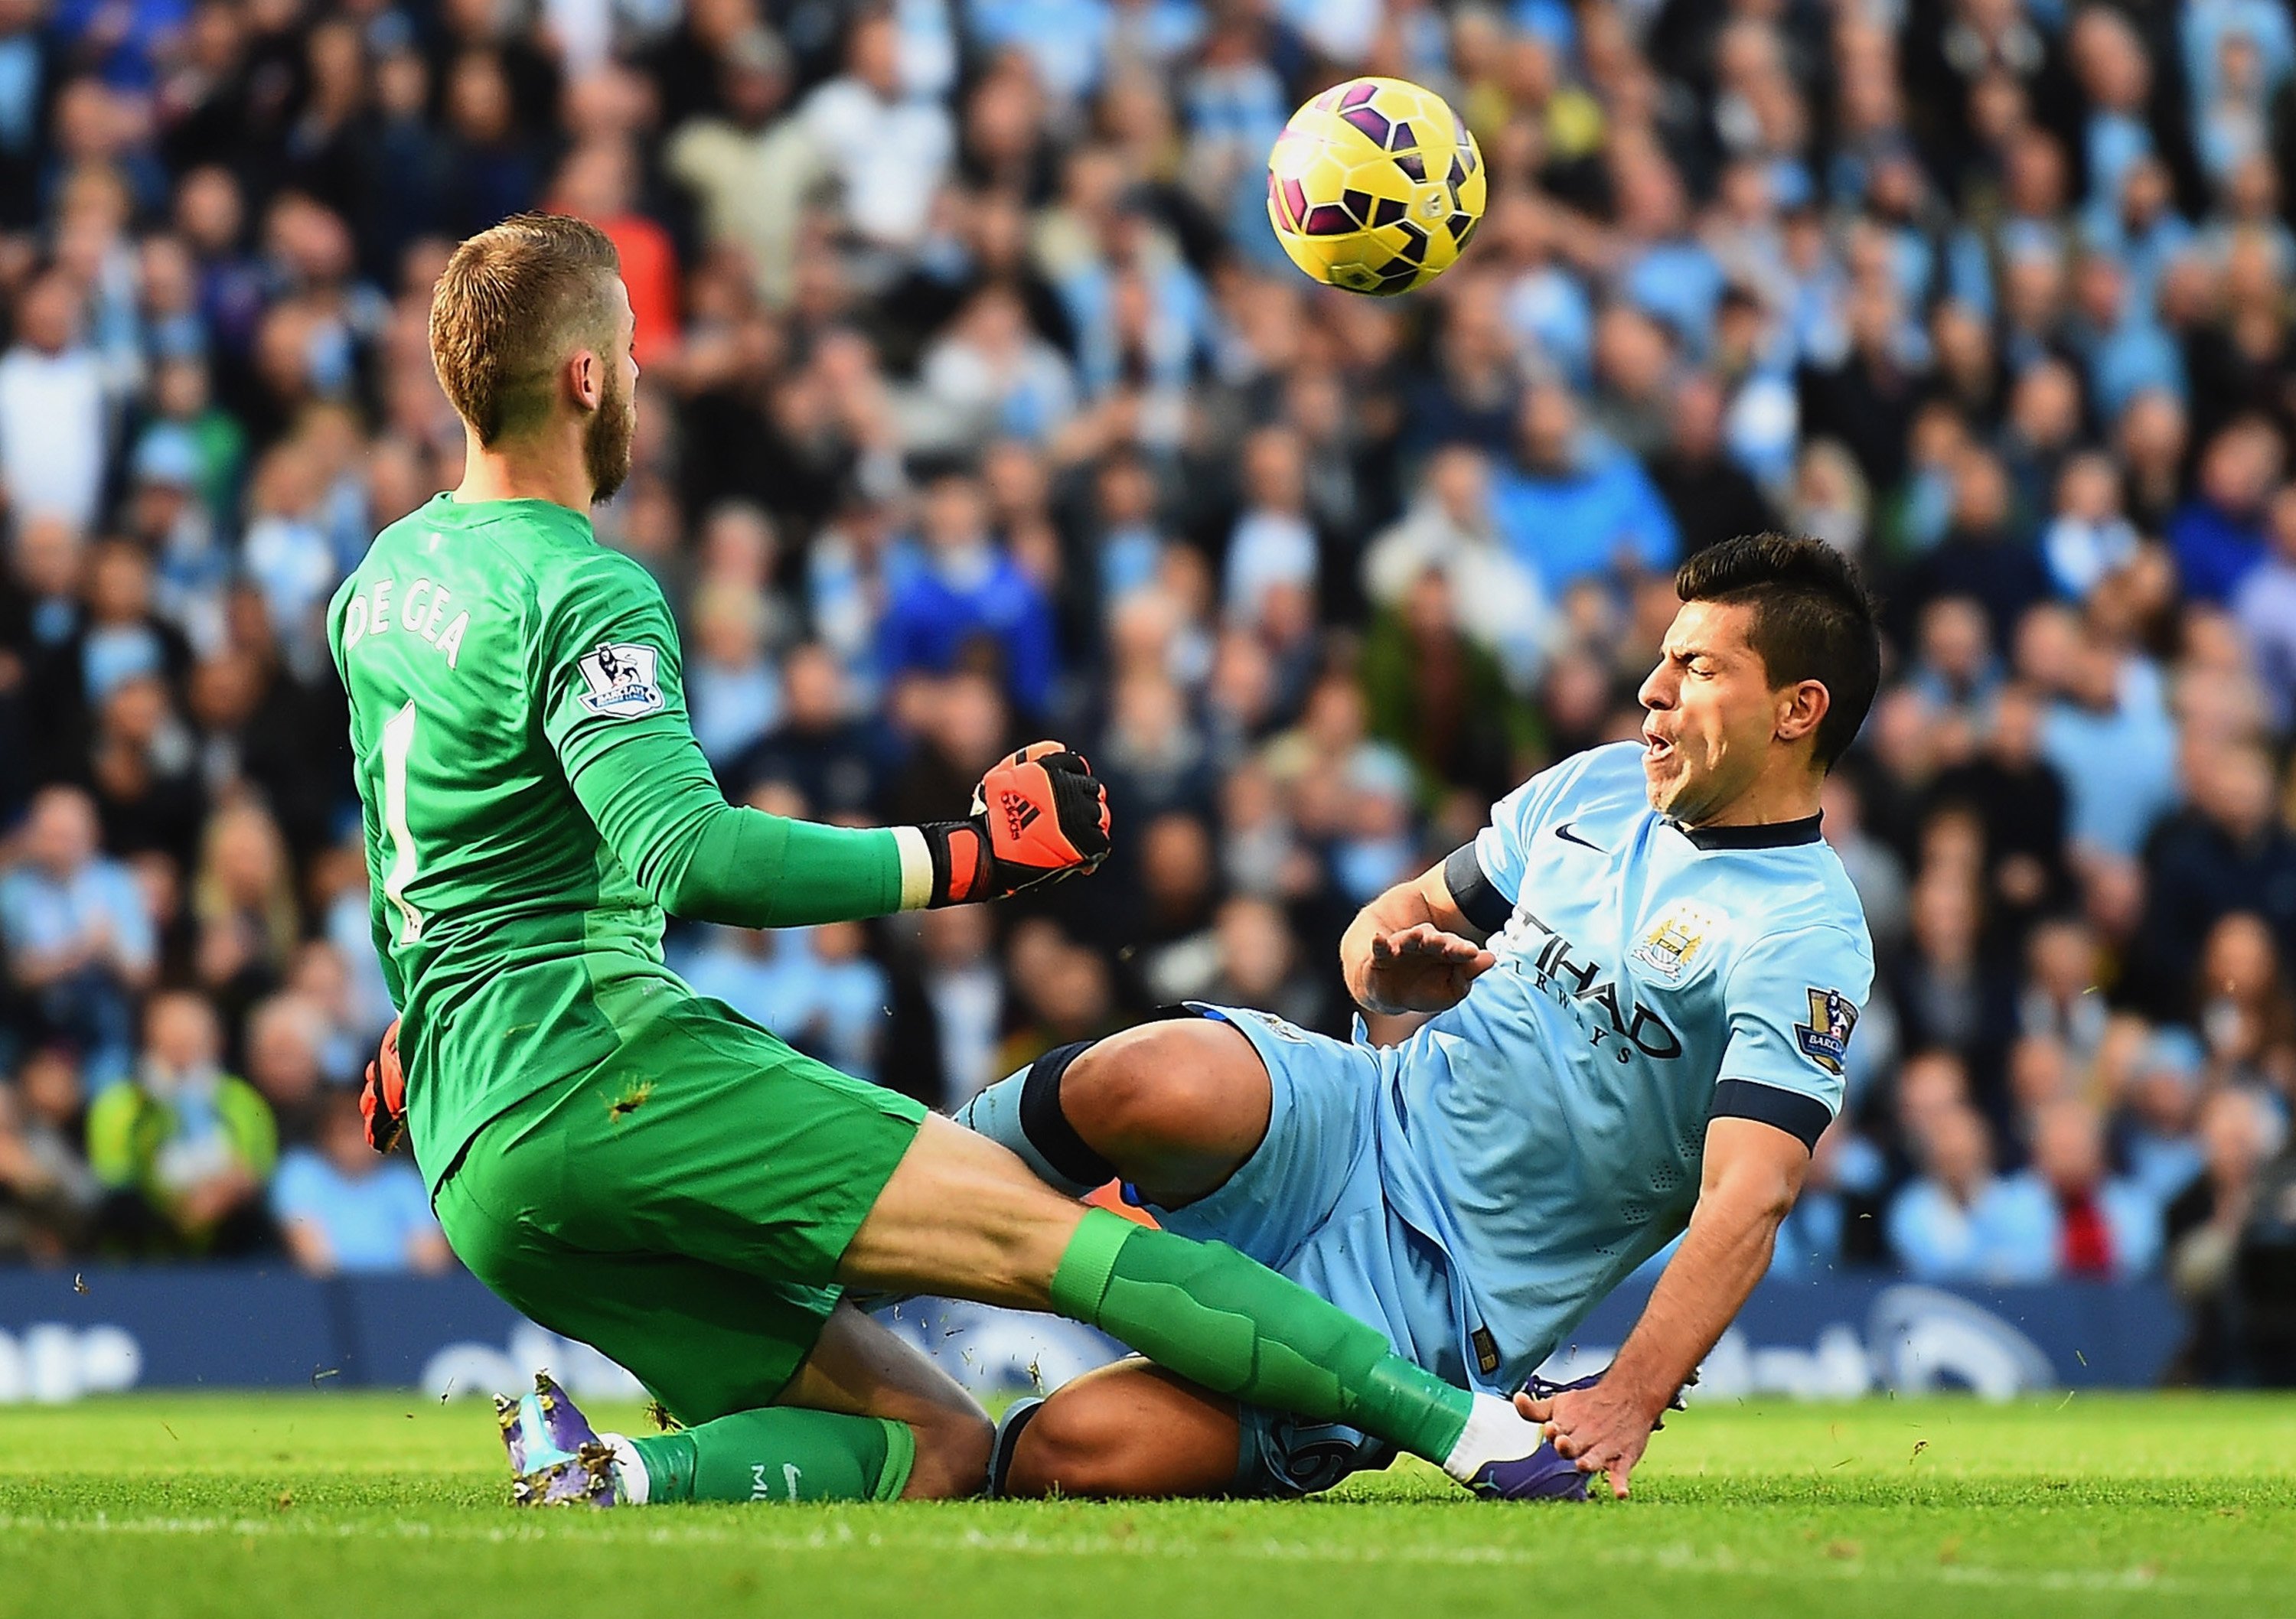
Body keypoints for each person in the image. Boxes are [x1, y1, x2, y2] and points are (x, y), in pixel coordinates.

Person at [328, 214, 1564, 1511]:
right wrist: (964, 857)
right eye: (630, 350)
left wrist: (428, 1015)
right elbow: (688, 851)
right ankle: (1469, 1430)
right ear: (585, 377)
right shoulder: (583, 588)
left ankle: (613, 1473)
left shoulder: (384, 578)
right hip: (597, 1067)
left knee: (938, 1446)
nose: (640, 375)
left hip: (473, 1150)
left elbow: (426, 851)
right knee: (1048, 1238)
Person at [960, 532, 1881, 1500]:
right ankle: (886, 1193)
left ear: (1796, 709)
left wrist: (1630, 1393)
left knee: (1071, 1451)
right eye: (1662, 655)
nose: (1652, 688)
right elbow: (1391, 919)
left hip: (1438, 1300)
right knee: (1149, 1077)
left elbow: (1752, 1194)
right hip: (1359, 1117)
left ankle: (889, 1430)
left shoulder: (1805, 933)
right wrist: (1382, 977)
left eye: (1695, 667)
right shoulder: (1599, 787)